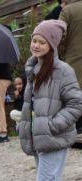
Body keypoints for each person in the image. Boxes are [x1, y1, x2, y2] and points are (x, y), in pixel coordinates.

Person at [17, 20, 82, 181]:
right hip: (38, 138)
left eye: (41, 41)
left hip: (53, 138)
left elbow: (77, 104)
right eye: (34, 40)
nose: (36, 45)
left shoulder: (63, 70)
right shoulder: (33, 67)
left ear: (52, 44)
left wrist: (52, 125)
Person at [60, 0, 82, 132]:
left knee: (74, 91)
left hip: (73, 57)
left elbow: (60, 35)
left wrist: (61, 53)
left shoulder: (67, 11)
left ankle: (77, 125)